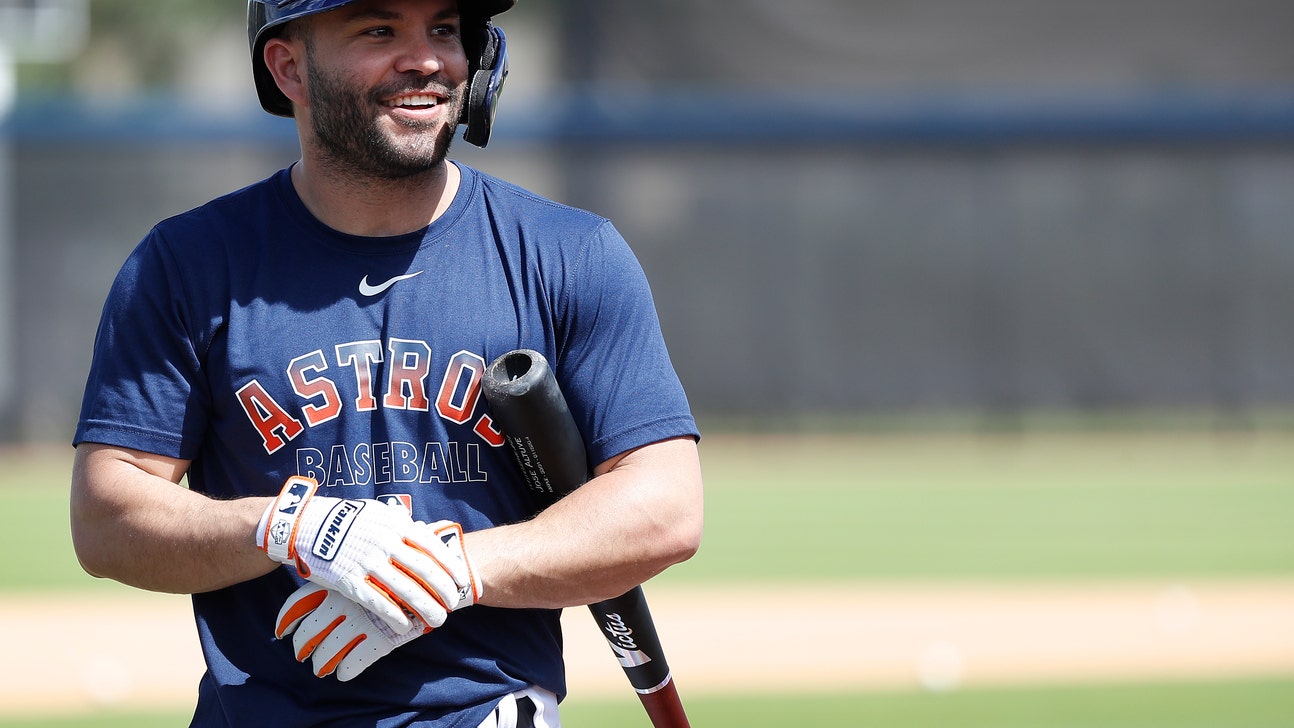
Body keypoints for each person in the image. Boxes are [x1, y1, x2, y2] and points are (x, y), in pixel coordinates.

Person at [69, 0, 704, 725]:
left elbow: (664, 507)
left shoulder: (569, 255)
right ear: (288, 68)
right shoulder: (187, 264)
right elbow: (106, 518)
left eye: (444, 29)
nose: (426, 59)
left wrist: (451, 571)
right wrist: (288, 528)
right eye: (379, 30)